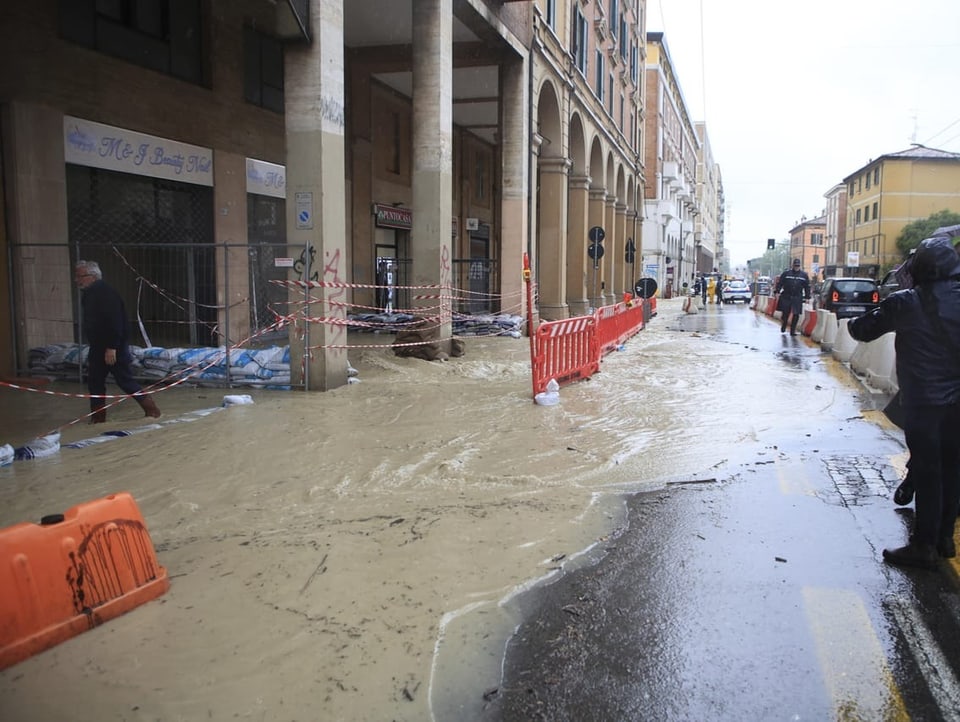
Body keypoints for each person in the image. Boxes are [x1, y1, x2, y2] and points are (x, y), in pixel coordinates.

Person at [848, 236, 960, 568]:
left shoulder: (905, 302)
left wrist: (887, 303)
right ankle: (943, 540)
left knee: (928, 470)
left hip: (925, 402)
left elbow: (861, 330)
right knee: (954, 468)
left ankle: (923, 546)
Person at [74, 261, 161, 423]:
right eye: (76, 276)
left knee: (124, 380)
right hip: (98, 347)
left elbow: (115, 322)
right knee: (95, 383)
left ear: (92, 277)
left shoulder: (105, 293)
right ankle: (98, 420)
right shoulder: (90, 294)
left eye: (80, 276)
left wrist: (112, 347)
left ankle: (153, 411)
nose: (77, 280)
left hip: (112, 348)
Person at [774, 258, 810, 335]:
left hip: (797, 296)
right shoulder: (786, 274)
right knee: (785, 313)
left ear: (800, 266)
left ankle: (792, 331)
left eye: (798, 266)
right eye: (795, 265)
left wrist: (807, 297)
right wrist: (777, 292)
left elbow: (807, 287)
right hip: (786, 296)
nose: (796, 267)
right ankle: (784, 324)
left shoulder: (804, 275)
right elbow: (780, 283)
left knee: (796, 314)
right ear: (792, 265)